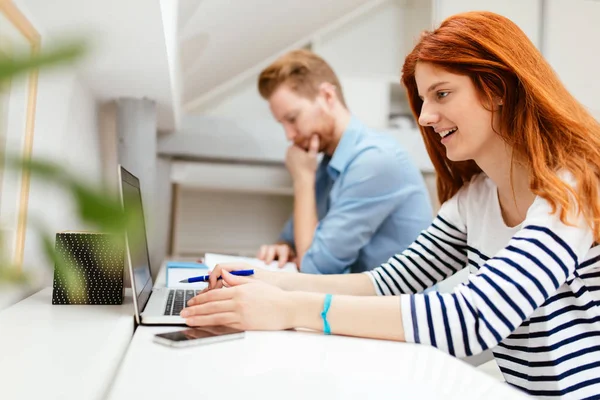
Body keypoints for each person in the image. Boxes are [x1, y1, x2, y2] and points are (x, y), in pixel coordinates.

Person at [181, 11, 600, 398]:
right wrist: (269, 280)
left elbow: (470, 320)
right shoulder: (475, 199)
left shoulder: (573, 189)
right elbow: (384, 282)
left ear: (497, 89)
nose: (425, 117)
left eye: (442, 94)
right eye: (424, 100)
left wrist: (290, 307)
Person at [254, 49, 432, 274]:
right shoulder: (327, 160)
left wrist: (302, 179)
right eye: (283, 124)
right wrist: (282, 248)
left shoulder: (374, 162)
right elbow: (291, 239)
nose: (289, 135)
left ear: (328, 97)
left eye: (292, 119)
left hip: (395, 307)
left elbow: (315, 270)